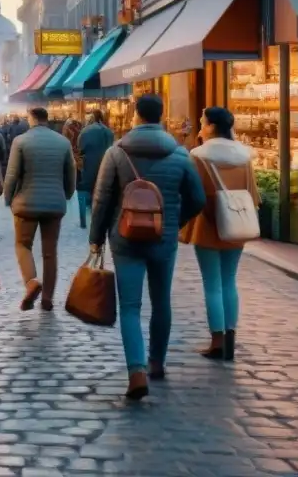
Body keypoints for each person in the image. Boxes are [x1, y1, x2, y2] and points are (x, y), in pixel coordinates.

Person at [90, 94, 205, 399]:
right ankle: (157, 362)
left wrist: (96, 237)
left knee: (130, 306)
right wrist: (173, 222)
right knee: (161, 301)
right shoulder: (180, 155)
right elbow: (198, 199)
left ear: (136, 116)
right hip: (163, 239)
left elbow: (101, 199)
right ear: (161, 116)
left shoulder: (116, 153)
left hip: (125, 238)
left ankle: (136, 370)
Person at [180, 107, 259, 362]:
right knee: (229, 281)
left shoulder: (199, 157)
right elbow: (254, 195)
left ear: (212, 126)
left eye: (202, 123)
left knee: (212, 284)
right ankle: (231, 338)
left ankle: (217, 340)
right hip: (237, 223)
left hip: (207, 225)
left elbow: (193, 195)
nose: (200, 128)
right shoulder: (245, 157)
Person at [3, 106, 76, 312]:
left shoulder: (21, 141)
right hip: (54, 204)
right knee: (50, 252)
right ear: (47, 119)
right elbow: (71, 173)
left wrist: (8, 198)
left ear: (32, 119)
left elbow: (12, 175)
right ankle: (47, 299)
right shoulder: (63, 142)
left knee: (23, 245)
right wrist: (67, 194)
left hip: (26, 203)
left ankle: (31, 282)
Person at [76, 110, 114, 229]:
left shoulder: (85, 131)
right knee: (101, 193)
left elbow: (80, 148)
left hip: (89, 167)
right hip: (106, 166)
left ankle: (83, 222)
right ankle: (100, 220)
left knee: (84, 193)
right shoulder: (109, 131)